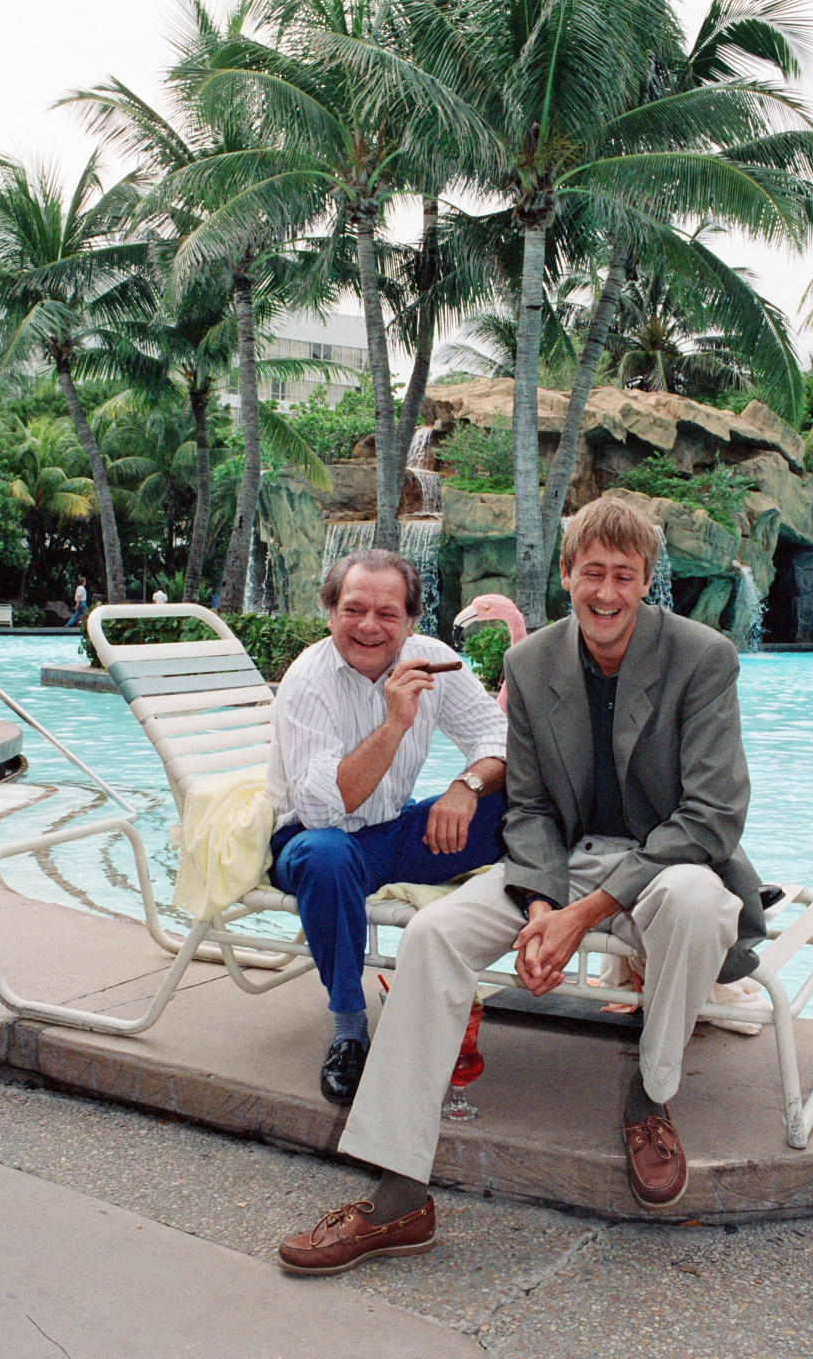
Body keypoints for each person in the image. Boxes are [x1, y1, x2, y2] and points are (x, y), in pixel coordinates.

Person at [278, 498, 766, 1273]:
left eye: (624, 576)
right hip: (557, 860)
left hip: (672, 859)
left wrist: (582, 916)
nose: (606, 592)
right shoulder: (532, 663)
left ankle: (651, 1094)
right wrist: (542, 905)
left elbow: (712, 817)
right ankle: (400, 1192)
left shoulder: (702, 658)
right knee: (436, 936)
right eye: (591, 573)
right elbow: (532, 806)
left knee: (701, 906)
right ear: (566, 575)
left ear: (646, 582)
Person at [267, 548, 507, 1106]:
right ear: (330, 614)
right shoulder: (308, 681)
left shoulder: (432, 659)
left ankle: (593, 896)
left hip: (394, 834)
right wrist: (396, 720)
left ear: (411, 622)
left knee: (522, 797)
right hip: (315, 842)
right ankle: (350, 1028)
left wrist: (463, 788)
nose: (369, 626)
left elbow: (498, 739)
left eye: (387, 614)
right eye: (354, 610)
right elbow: (325, 809)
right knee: (326, 857)